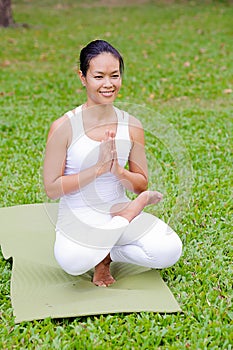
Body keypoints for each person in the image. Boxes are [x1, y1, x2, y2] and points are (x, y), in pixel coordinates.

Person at [43, 39, 182, 287]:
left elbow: (141, 186)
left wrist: (117, 170)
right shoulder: (63, 127)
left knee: (169, 250)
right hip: (79, 218)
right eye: (99, 76)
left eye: (114, 76)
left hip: (115, 210)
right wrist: (97, 169)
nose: (108, 84)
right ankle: (123, 223)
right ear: (83, 77)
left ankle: (107, 253)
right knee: (73, 262)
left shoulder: (131, 125)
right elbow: (52, 189)